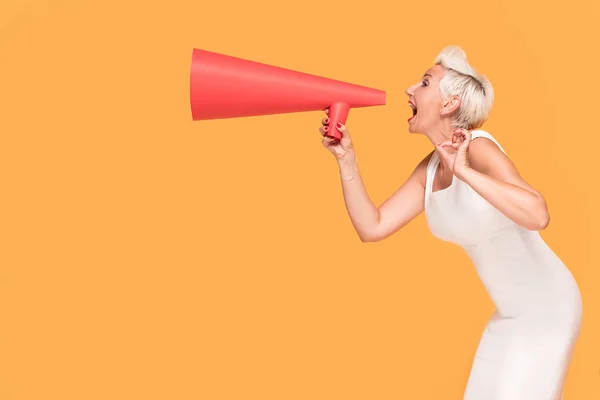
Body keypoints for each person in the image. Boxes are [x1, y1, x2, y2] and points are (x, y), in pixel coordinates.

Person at [318, 45, 583, 399]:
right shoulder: (430, 168)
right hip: (508, 317)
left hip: (548, 311)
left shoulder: (479, 148)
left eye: (424, 83)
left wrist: (465, 171)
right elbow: (373, 226)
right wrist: (346, 159)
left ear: (449, 103)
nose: (410, 90)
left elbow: (538, 213)